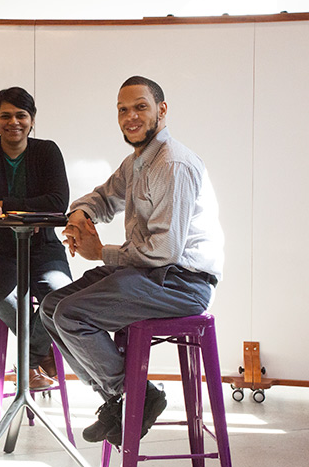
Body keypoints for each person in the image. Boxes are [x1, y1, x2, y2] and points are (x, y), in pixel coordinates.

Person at [41, 76, 224, 445]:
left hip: (182, 282)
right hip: (149, 274)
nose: (131, 116)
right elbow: (105, 197)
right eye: (123, 110)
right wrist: (80, 214)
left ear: (162, 110)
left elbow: (165, 251)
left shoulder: (173, 164)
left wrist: (101, 252)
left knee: (71, 314)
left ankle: (135, 394)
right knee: (51, 307)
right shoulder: (137, 162)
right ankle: (122, 396)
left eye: (140, 106)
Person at [0, 87, 73, 389]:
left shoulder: (47, 151)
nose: (14, 122)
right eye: (5, 116)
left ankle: (29, 361)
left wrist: (1, 203)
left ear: (32, 120)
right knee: (11, 302)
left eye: (21, 115)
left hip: (42, 247)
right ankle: (38, 355)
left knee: (62, 298)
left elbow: (58, 201)